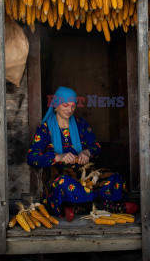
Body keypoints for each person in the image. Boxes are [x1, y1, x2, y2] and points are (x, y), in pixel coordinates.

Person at [27, 87, 138, 221]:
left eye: (73, 106)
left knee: (116, 178)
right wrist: (58, 157)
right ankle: (106, 205)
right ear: (56, 104)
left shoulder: (80, 124)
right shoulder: (45, 129)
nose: (69, 110)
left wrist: (86, 152)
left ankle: (77, 206)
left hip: (85, 173)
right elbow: (32, 157)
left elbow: (96, 147)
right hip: (59, 175)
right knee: (64, 184)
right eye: (65, 105)